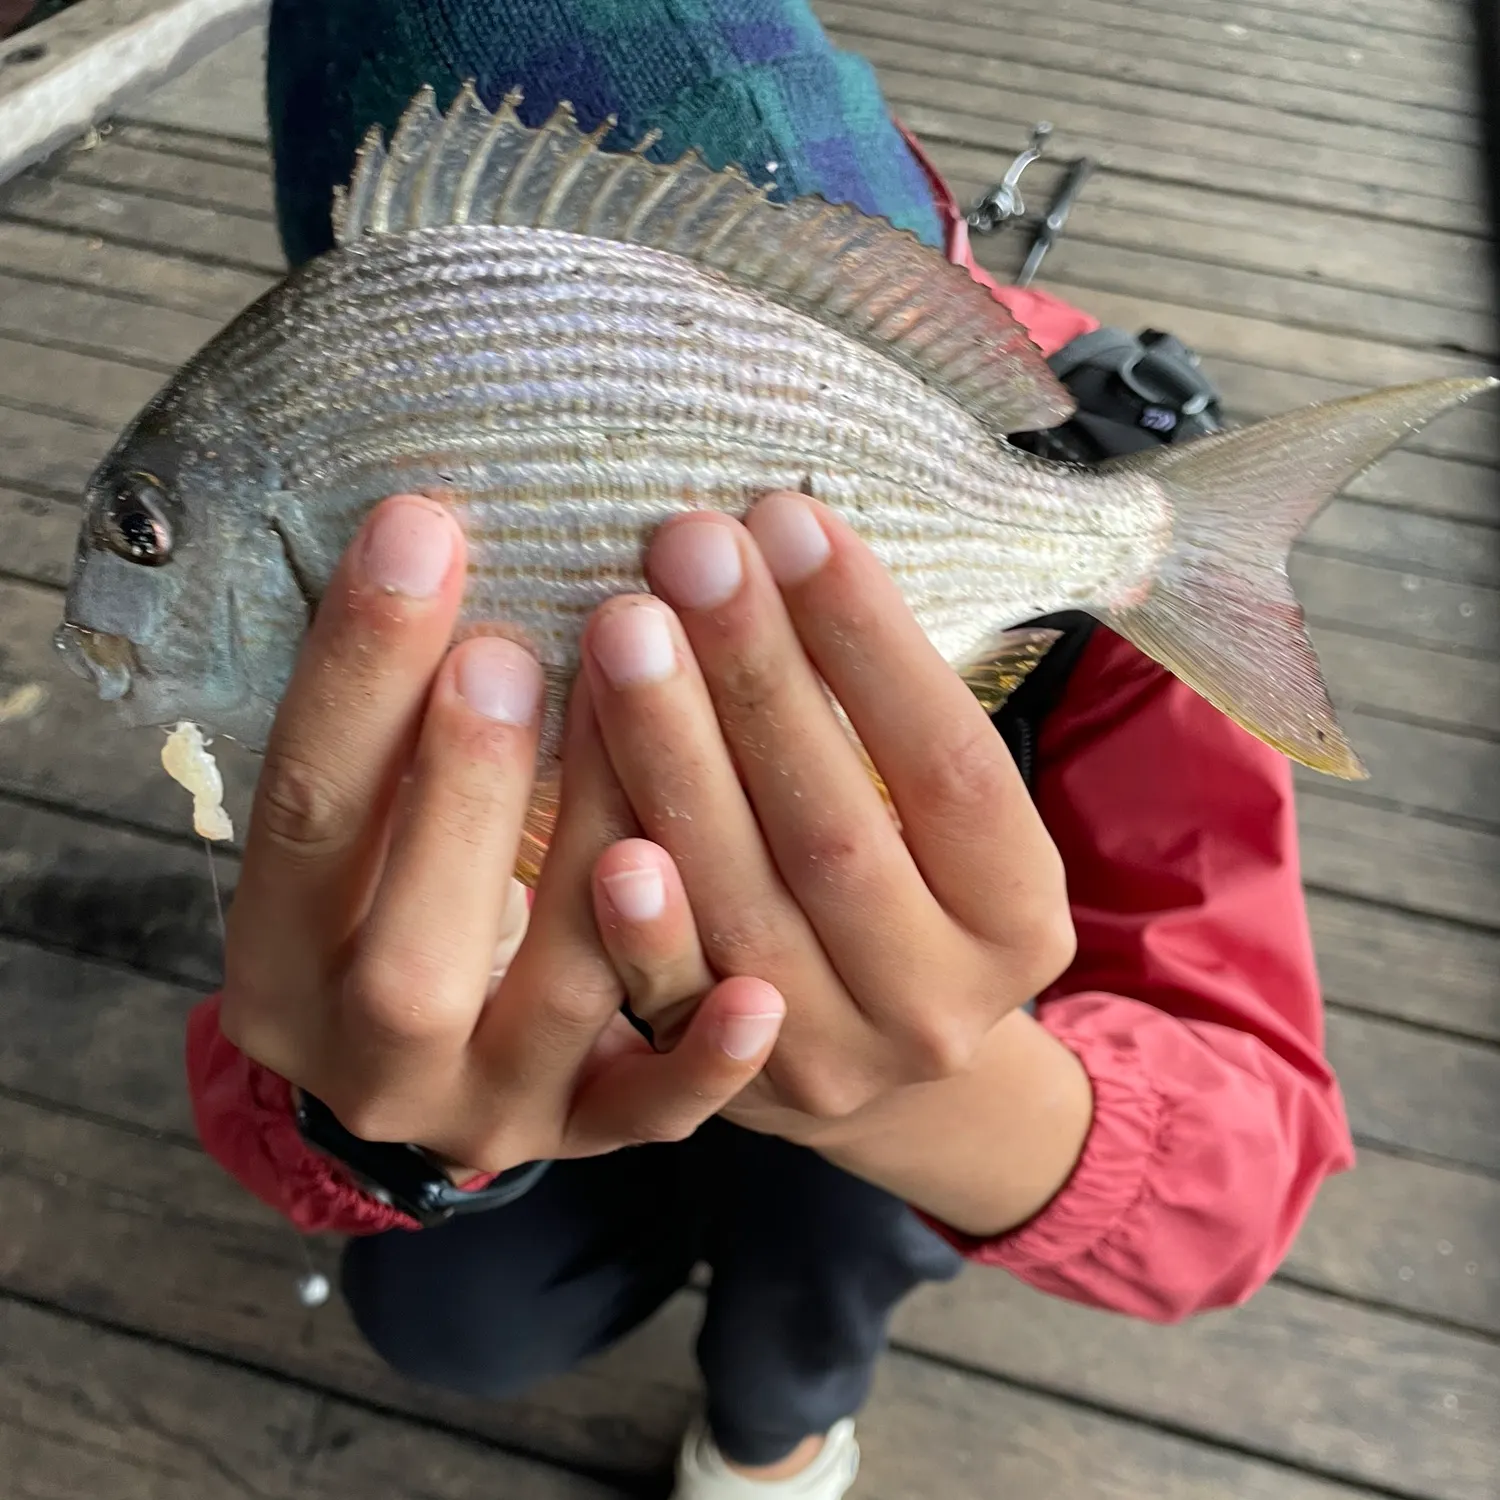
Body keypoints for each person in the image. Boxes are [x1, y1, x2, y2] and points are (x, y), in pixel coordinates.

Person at [187, 3, 1356, 1496]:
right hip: (568, 1081)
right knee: (454, 1316)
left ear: (919, 281)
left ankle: (776, 1425)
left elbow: (1254, 1167)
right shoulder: (328, 600)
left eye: (758, 322)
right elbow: (266, 1026)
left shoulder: (1109, 509)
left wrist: (929, 1093)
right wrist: (373, 1112)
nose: (646, 417)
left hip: (924, 1115)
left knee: (810, 1292)